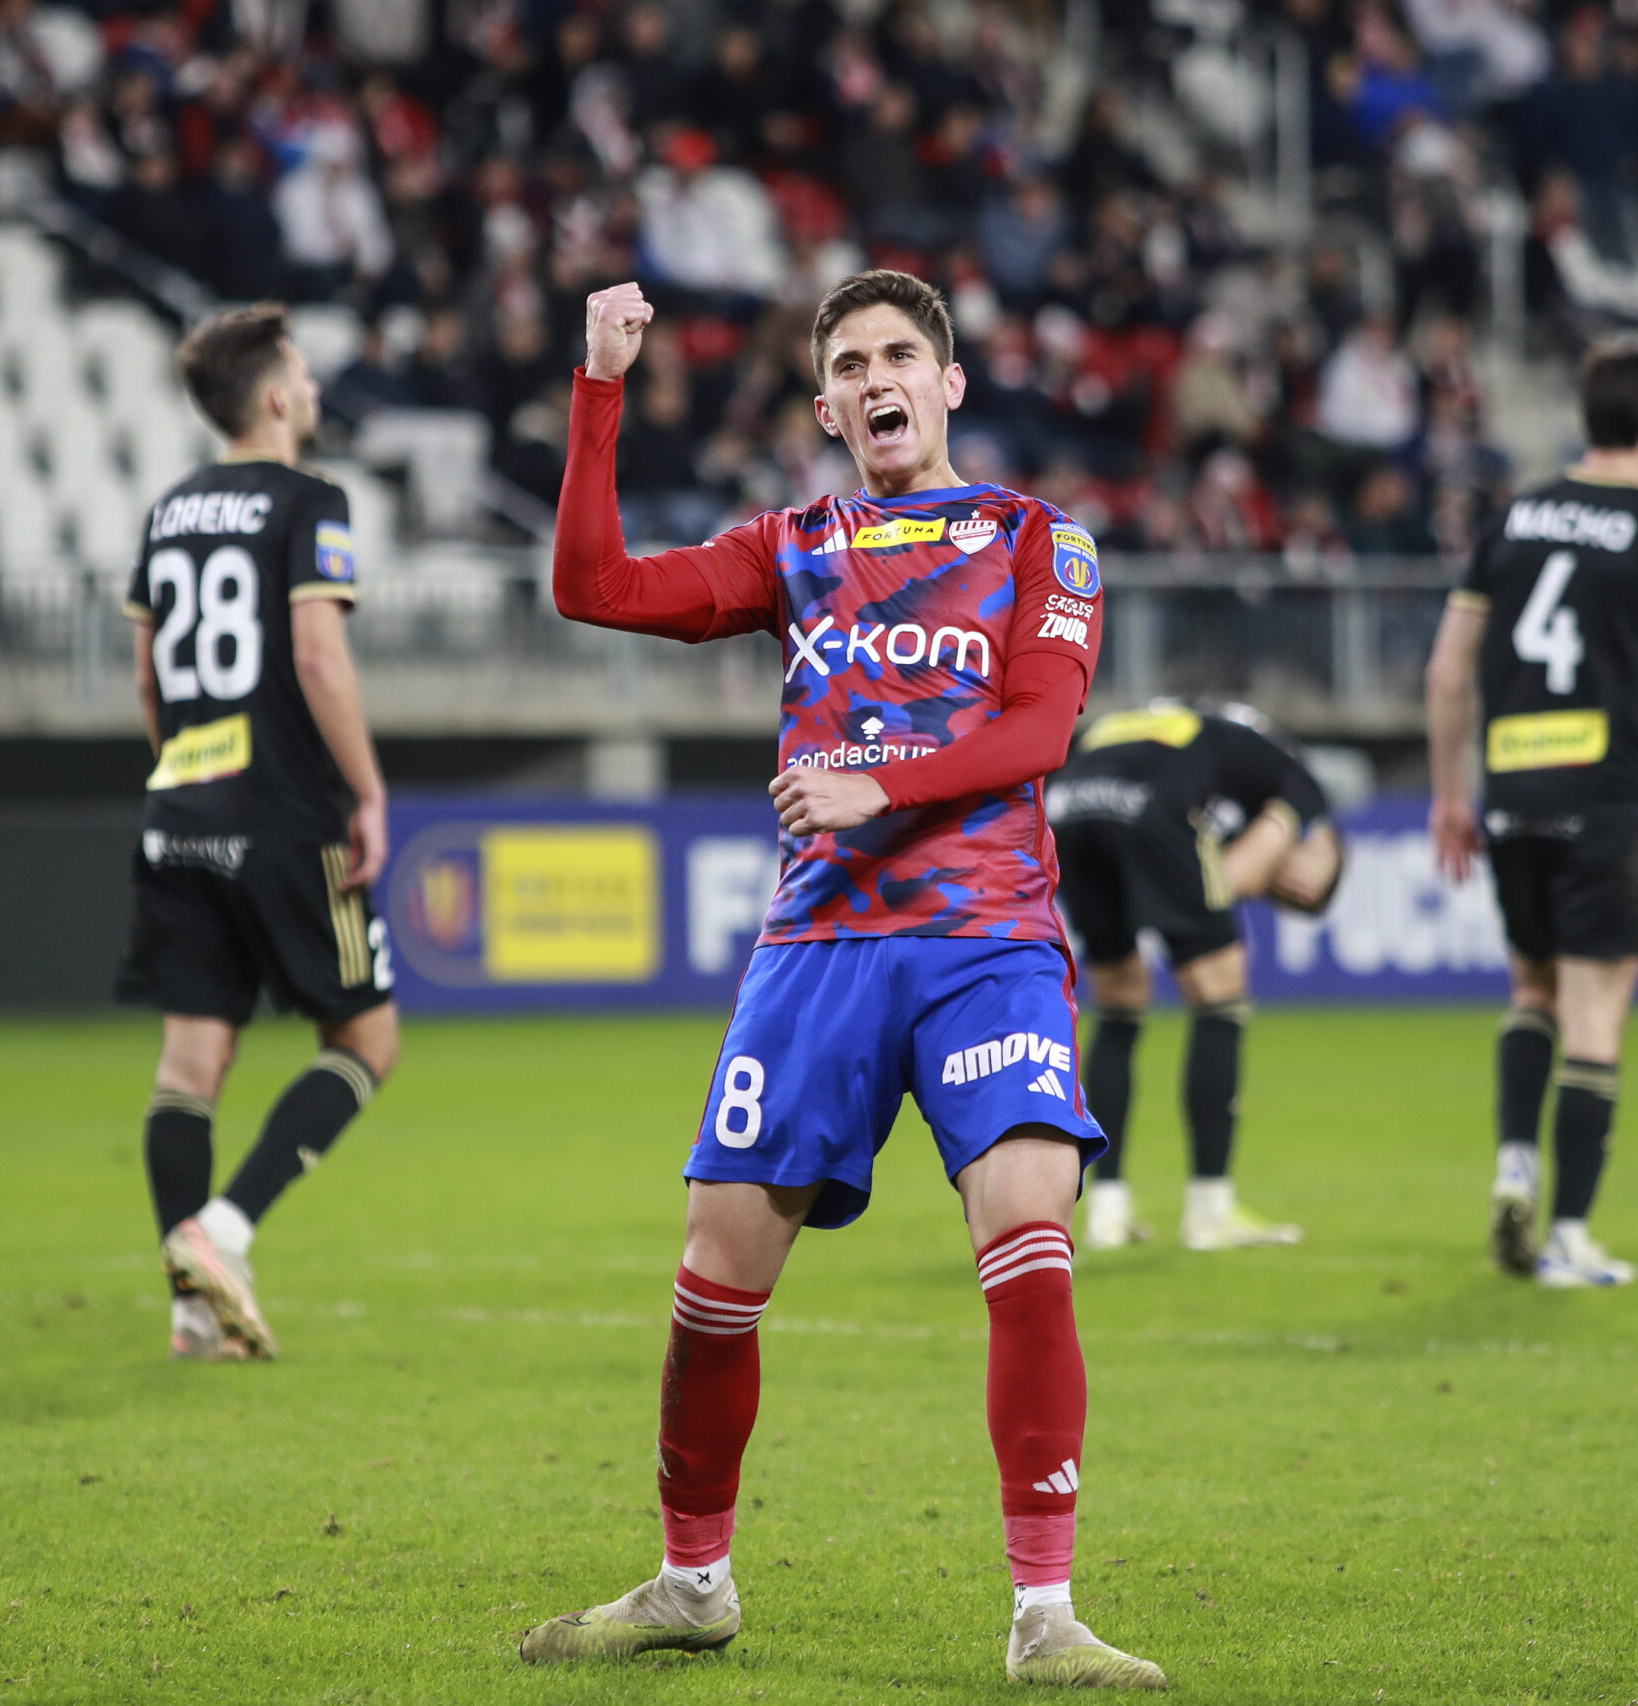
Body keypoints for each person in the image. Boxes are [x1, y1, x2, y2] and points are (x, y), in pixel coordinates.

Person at [519, 272, 1164, 1690]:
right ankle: (694, 1581)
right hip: (818, 952)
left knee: (1030, 1231)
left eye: (901, 356)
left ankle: (1046, 1612)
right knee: (715, 1273)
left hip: (987, 937)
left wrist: (884, 781)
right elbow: (591, 586)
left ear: (946, 386)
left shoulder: (1038, 540)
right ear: (826, 408)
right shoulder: (792, 545)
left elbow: (1044, 727)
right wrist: (602, 386)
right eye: (852, 363)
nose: (878, 378)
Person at [116, 303, 400, 1363]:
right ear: (277, 395)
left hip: (179, 808)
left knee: (190, 1063)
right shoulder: (308, 501)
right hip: (282, 811)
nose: (315, 394)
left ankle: (196, 1313)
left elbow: (147, 673)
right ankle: (220, 1232)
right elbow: (320, 658)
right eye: (307, 378)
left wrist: (179, 773)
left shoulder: (167, 509)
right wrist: (366, 792)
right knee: (367, 1039)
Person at [1422, 340, 1638, 1288]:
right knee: (1595, 1016)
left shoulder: (1510, 522)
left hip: (1514, 792)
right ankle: (1572, 1236)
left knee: (1531, 991)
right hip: (1608, 797)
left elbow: (1446, 672)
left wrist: (1449, 796)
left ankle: (1515, 1163)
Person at [1047, 700, 1345, 1252]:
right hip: (1150, 808)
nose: (1295, 891)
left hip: (1066, 805)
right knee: (1220, 993)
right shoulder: (1301, 782)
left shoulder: (1201, 735)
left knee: (1118, 1002)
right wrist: (1232, 890)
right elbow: (1236, 875)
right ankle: (1211, 1210)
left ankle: (1106, 1213)